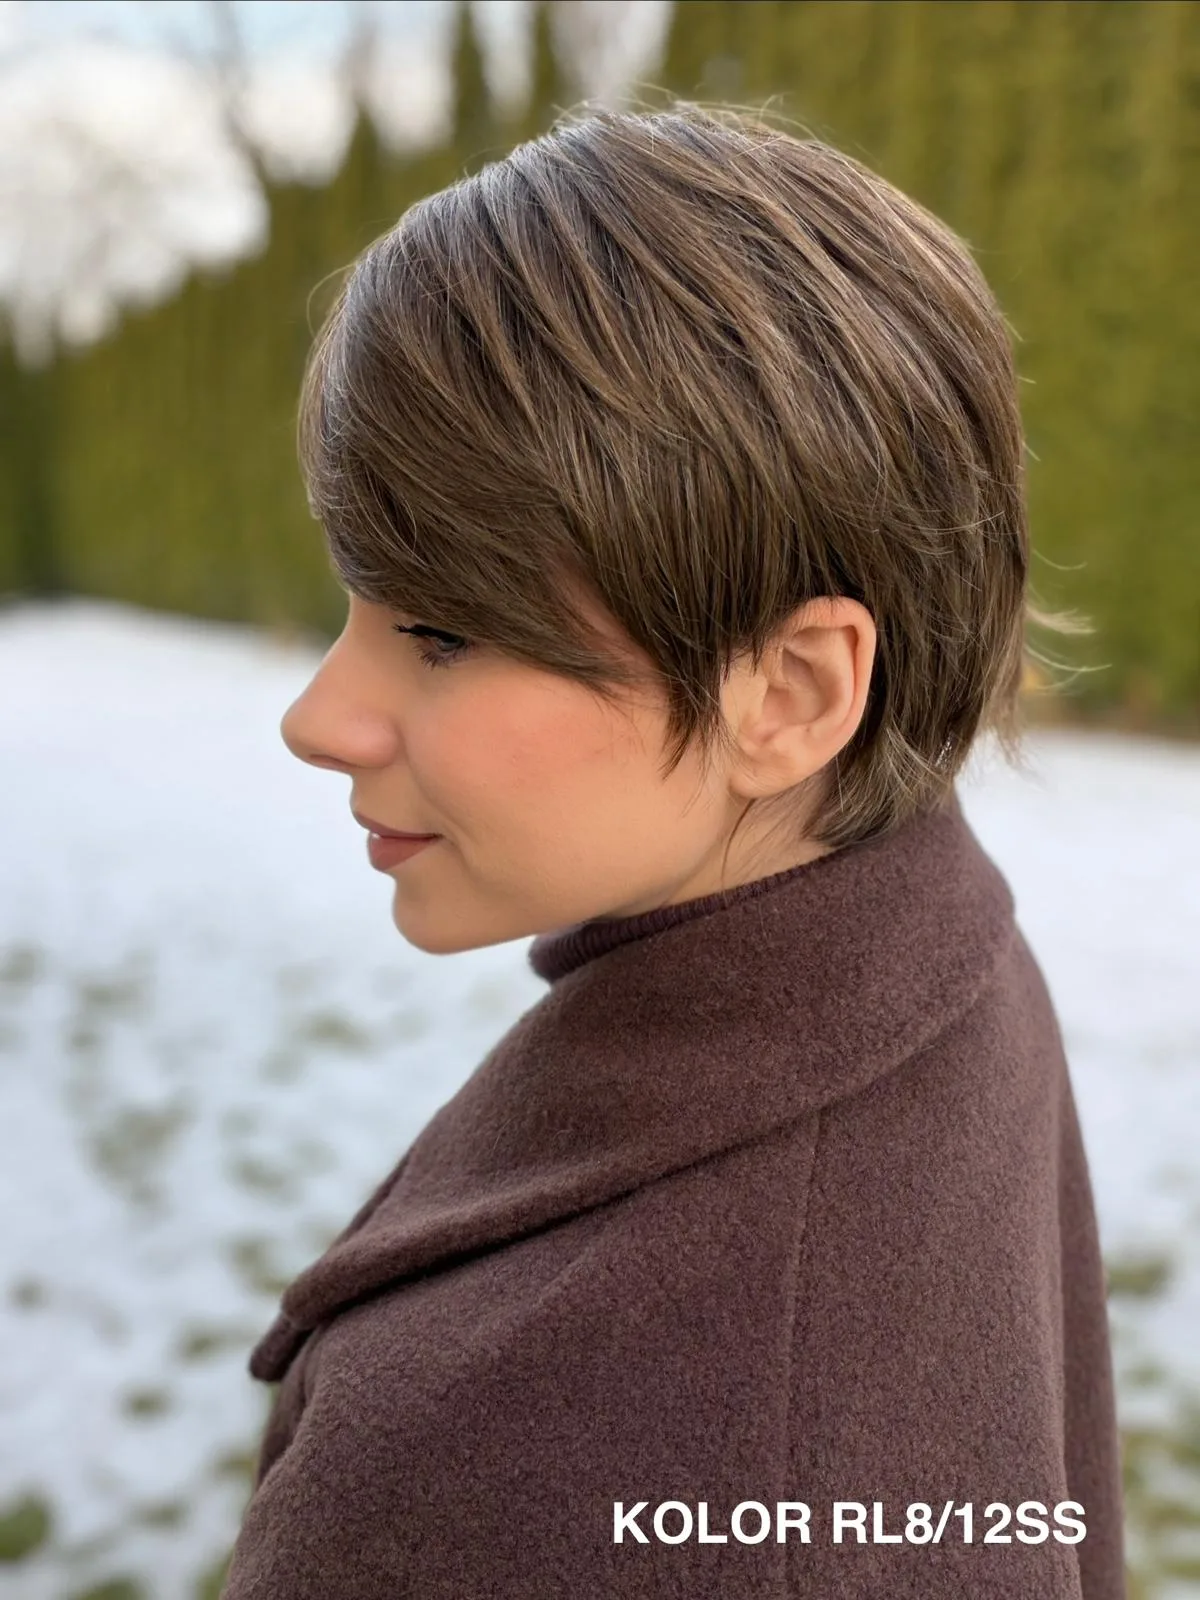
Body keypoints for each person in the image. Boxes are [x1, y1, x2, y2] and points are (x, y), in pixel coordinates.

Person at [220, 102, 1125, 1598]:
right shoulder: (931, 954)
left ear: (793, 694)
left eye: (440, 634)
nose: (319, 718)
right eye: (356, 602)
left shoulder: (515, 1457)